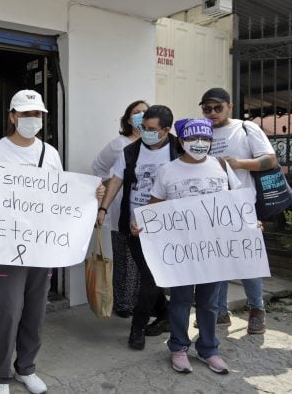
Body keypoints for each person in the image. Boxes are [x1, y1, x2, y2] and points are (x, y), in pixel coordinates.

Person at [0, 90, 104, 394]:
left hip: (42, 247)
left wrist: (91, 196)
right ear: (12, 117)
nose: (32, 120)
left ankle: (26, 368)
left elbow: (60, 195)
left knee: (35, 310)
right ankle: (0, 375)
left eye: (37, 115)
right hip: (8, 246)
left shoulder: (50, 153)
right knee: (8, 312)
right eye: (26, 114)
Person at [146, 117, 241, 375]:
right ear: (182, 141)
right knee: (180, 300)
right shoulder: (168, 170)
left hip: (214, 248)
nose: (200, 143)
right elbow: (154, 205)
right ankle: (178, 347)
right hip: (182, 249)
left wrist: (250, 225)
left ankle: (209, 349)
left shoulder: (221, 166)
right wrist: (141, 222)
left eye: (206, 138)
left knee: (209, 303)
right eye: (193, 138)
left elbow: (237, 203)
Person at [97, 105, 179, 350]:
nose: (145, 132)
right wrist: (103, 209)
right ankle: (164, 315)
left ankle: (138, 327)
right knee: (150, 276)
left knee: (149, 277)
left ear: (166, 130)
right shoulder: (131, 151)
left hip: (168, 227)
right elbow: (116, 180)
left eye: (151, 129)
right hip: (135, 227)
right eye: (143, 127)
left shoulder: (178, 149)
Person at [199, 87, 277, 334]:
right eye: (207, 108)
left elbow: (270, 159)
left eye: (217, 108)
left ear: (229, 106)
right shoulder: (202, 131)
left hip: (241, 204)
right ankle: (220, 312)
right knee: (217, 259)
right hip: (210, 206)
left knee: (247, 260)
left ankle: (257, 309)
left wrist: (239, 163)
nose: (212, 113)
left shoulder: (245, 128)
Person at [92, 100, 148, 318]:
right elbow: (98, 166)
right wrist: (112, 184)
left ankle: (145, 302)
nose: (142, 115)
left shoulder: (156, 144)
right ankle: (124, 305)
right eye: (137, 112)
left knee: (146, 260)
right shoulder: (119, 143)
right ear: (128, 119)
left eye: (145, 112)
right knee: (125, 259)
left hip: (148, 209)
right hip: (121, 210)